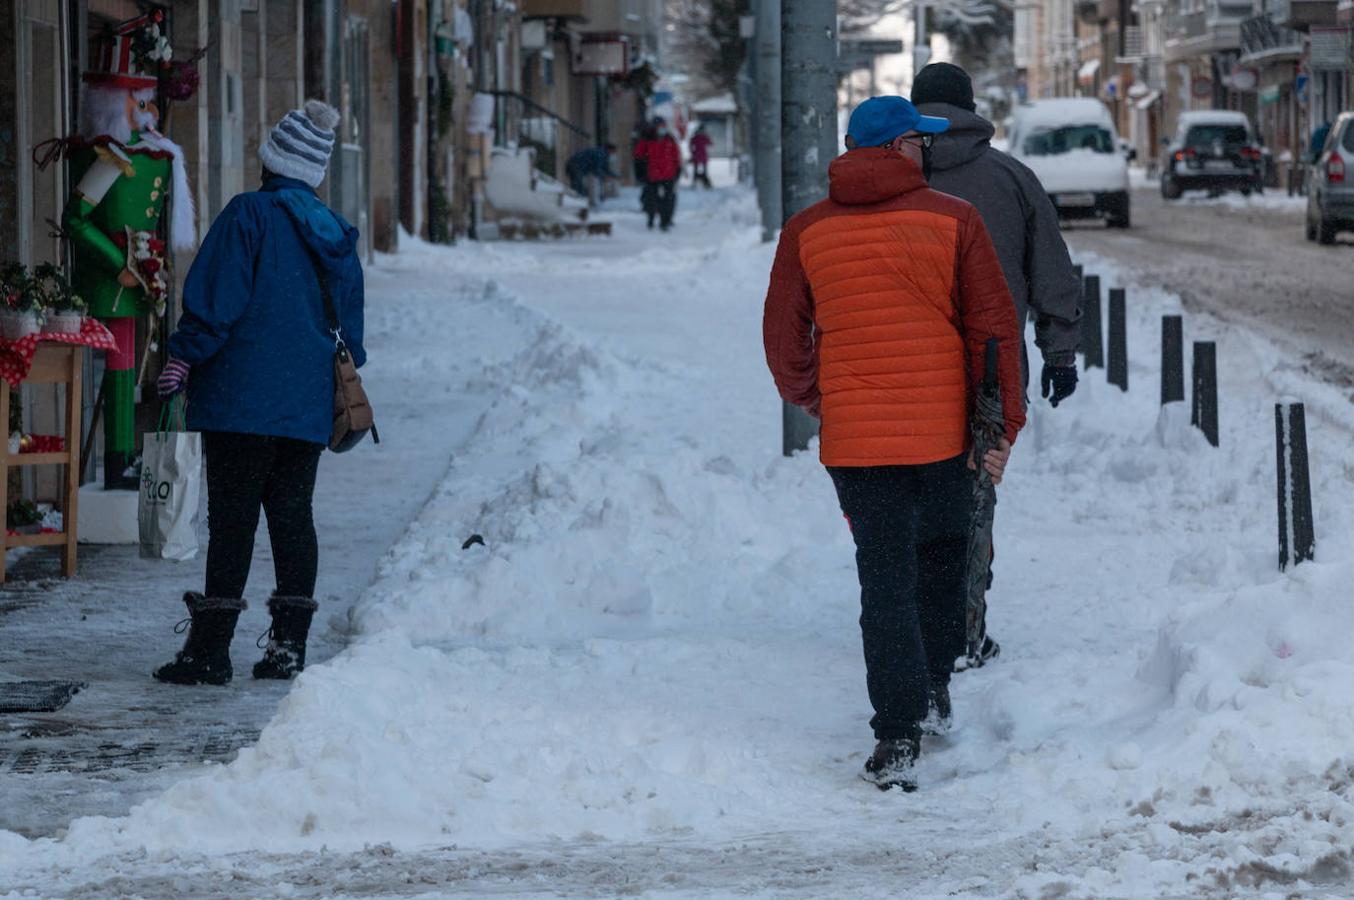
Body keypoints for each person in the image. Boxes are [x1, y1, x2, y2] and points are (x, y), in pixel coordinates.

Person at [763, 96, 1025, 792]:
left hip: (857, 445)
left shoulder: (806, 230)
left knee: (883, 581)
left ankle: (897, 734)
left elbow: (784, 344)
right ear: (900, 147)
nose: (929, 154)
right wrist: (1001, 427)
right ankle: (934, 685)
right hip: (943, 435)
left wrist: (825, 400)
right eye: (921, 141)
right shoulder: (955, 221)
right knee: (941, 563)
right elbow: (993, 333)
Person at [152, 100, 366, 686]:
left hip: (238, 403)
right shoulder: (338, 235)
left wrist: (181, 358)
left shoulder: (247, 215)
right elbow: (355, 339)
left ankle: (210, 651)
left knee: (233, 522)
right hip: (304, 409)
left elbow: (214, 305)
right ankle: (288, 649)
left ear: (271, 164)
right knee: (294, 518)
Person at [913, 63, 1082, 667]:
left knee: (906, 499)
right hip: (989, 369)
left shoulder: (889, 174)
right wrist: (1059, 353)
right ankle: (962, 632)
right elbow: (1052, 273)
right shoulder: (1011, 177)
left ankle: (908, 629)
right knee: (974, 498)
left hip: (901, 371)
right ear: (972, 106)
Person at [638, 117, 682, 230]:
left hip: (668, 174)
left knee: (668, 198)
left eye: (663, 126)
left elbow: (675, 155)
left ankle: (665, 221)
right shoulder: (647, 139)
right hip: (652, 175)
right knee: (651, 199)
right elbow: (639, 156)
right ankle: (651, 218)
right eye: (659, 126)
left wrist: (678, 169)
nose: (662, 128)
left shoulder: (669, 139)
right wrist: (641, 171)